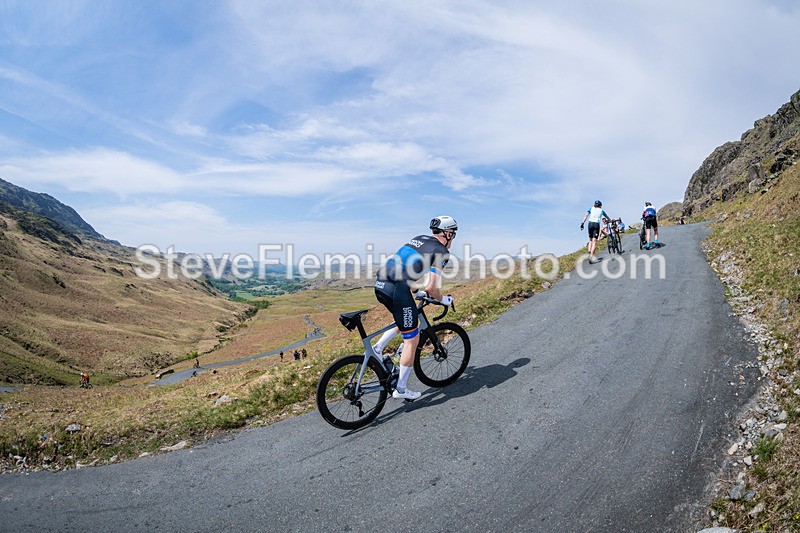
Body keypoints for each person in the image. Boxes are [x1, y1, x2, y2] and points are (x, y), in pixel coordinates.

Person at [374, 216, 457, 400]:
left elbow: (403, 265)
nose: (453, 238)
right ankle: (401, 389)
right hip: (396, 289)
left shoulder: (419, 238)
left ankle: (378, 349)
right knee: (413, 339)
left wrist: (414, 290)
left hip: (381, 284)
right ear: (448, 233)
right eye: (454, 234)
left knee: (406, 320)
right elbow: (432, 288)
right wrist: (444, 300)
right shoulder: (441, 251)